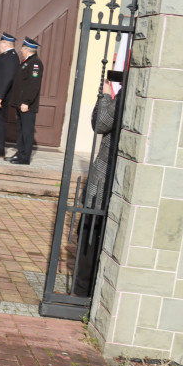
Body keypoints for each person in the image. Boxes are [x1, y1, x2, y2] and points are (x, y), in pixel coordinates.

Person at [73, 75, 121, 296]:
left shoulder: (127, 93)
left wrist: (104, 94)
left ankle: (83, 289)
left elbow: (101, 123)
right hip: (111, 179)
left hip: (105, 180)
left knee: (90, 232)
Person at [7, 37, 44, 165]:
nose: (21, 50)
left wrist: (26, 102)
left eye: (22, 48)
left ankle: (25, 157)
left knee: (27, 132)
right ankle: (20, 153)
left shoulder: (35, 63)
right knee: (22, 131)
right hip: (21, 103)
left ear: (27, 49)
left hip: (27, 105)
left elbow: (33, 86)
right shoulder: (27, 62)